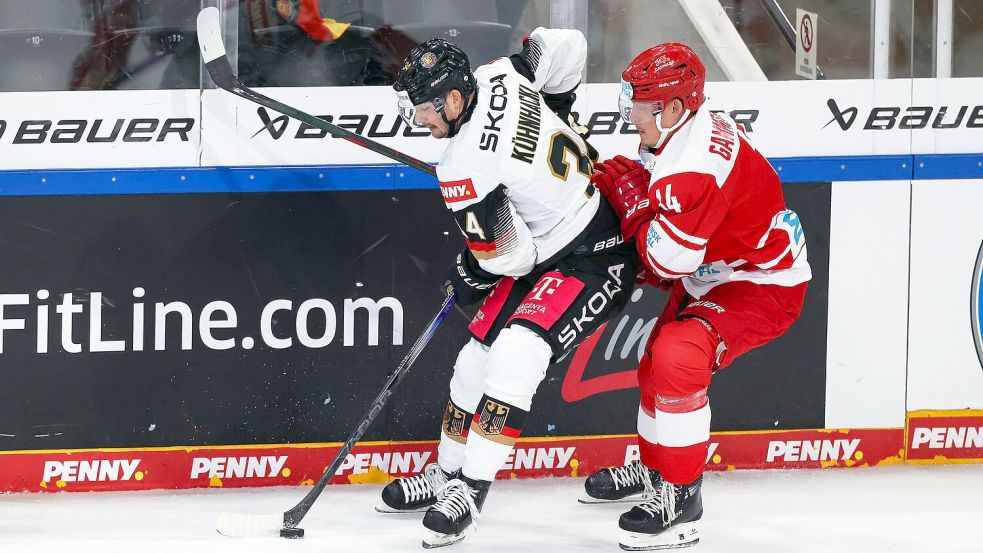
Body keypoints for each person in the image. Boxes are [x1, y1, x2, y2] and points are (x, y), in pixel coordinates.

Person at [379, 29, 638, 548]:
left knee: (517, 353)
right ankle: (447, 474)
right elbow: (570, 44)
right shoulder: (504, 72)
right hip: (550, 246)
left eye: (423, 110)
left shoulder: (462, 168)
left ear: (454, 99)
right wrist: (561, 111)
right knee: (474, 360)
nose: (418, 121)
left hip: (594, 256)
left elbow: (512, 256)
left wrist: (474, 268)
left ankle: (470, 493)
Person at [582, 43, 811, 550]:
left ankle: (682, 500)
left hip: (761, 285)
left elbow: (667, 262)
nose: (630, 116)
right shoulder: (688, 127)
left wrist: (636, 205)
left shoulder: (693, 167)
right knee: (653, 366)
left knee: (677, 354)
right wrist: (638, 185)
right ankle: (654, 470)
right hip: (722, 270)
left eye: (639, 106)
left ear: (672, 108)